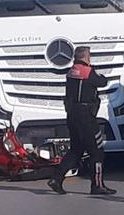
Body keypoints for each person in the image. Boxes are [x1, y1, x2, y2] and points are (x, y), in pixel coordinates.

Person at [48, 46, 116, 196]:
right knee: (97, 152)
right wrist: (102, 75)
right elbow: (101, 82)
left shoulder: (71, 71)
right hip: (86, 116)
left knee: (76, 151)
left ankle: (56, 178)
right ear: (86, 57)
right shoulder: (88, 71)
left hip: (72, 115)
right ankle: (97, 185)